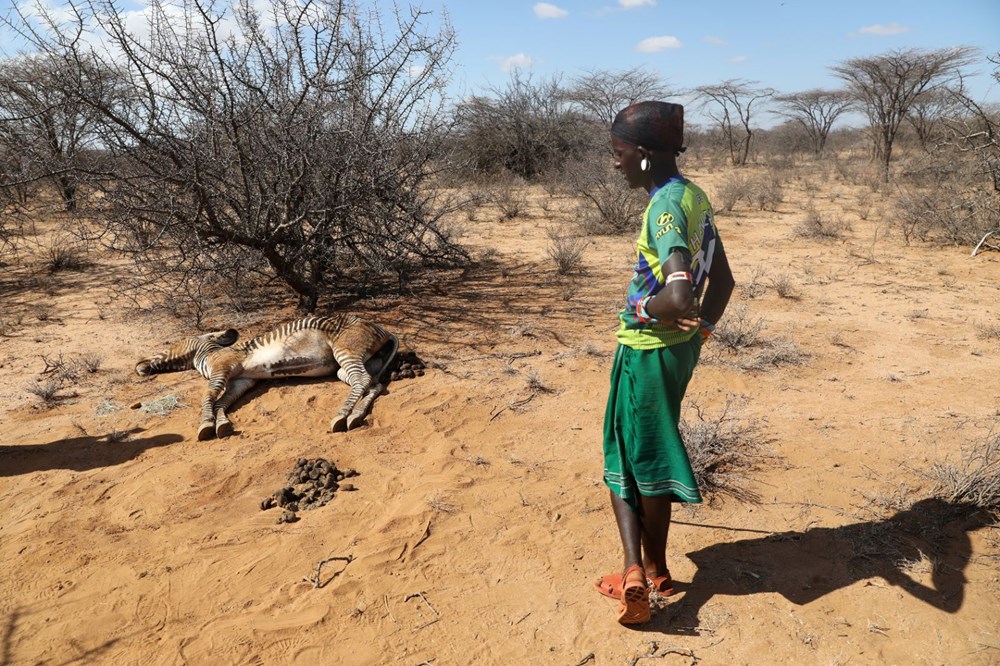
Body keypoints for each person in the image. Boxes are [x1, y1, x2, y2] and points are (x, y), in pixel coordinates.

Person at [594, 101, 735, 625]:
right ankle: (651, 567)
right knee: (645, 447)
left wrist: (640, 309)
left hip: (647, 350)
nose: (616, 163)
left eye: (619, 153)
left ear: (644, 154)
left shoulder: (664, 209)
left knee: (631, 455)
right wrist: (700, 333)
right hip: (676, 350)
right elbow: (722, 281)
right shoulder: (693, 195)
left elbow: (678, 296)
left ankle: (640, 572)